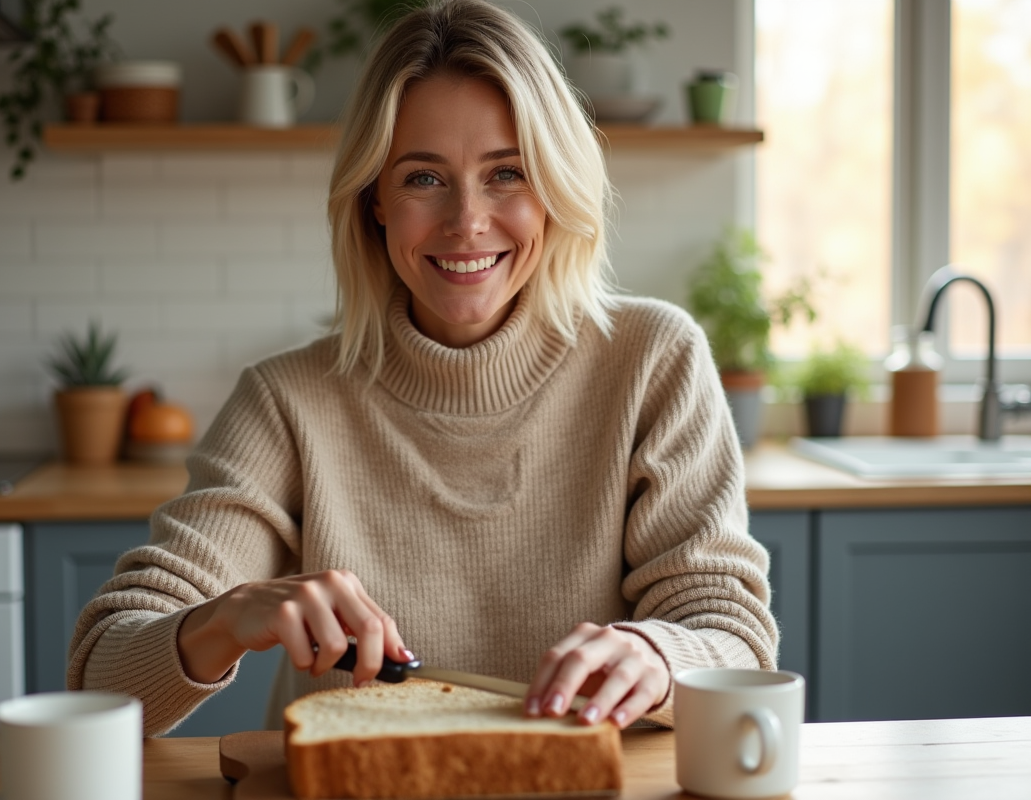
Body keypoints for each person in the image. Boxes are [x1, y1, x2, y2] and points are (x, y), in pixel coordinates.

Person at [68, 0, 778, 737]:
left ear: (555, 191)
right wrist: (224, 618)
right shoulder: (287, 402)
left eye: (507, 173)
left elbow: (732, 636)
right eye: (423, 179)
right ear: (374, 199)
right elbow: (102, 680)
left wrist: (656, 653)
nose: (466, 221)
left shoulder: (653, 360)